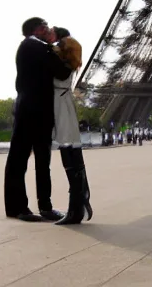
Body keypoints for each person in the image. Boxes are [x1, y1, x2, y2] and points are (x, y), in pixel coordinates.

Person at [4, 17, 72, 222]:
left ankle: (25, 207)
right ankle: (34, 207)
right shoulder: (36, 46)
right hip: (33, 111)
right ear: (35, 30)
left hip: (32, 109)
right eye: (44, 26)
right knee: (34, 161)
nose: (48, 29)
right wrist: (68, 48)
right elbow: (61, 71)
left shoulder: (32, 47)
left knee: (25, 160)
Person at [51, 26, 93, 225]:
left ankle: (75, 209)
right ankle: (79, 201)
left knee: (68, 155)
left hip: (60, 108)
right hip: (65, 105)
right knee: (74, 157)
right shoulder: (69, 63)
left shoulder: (59, 63)